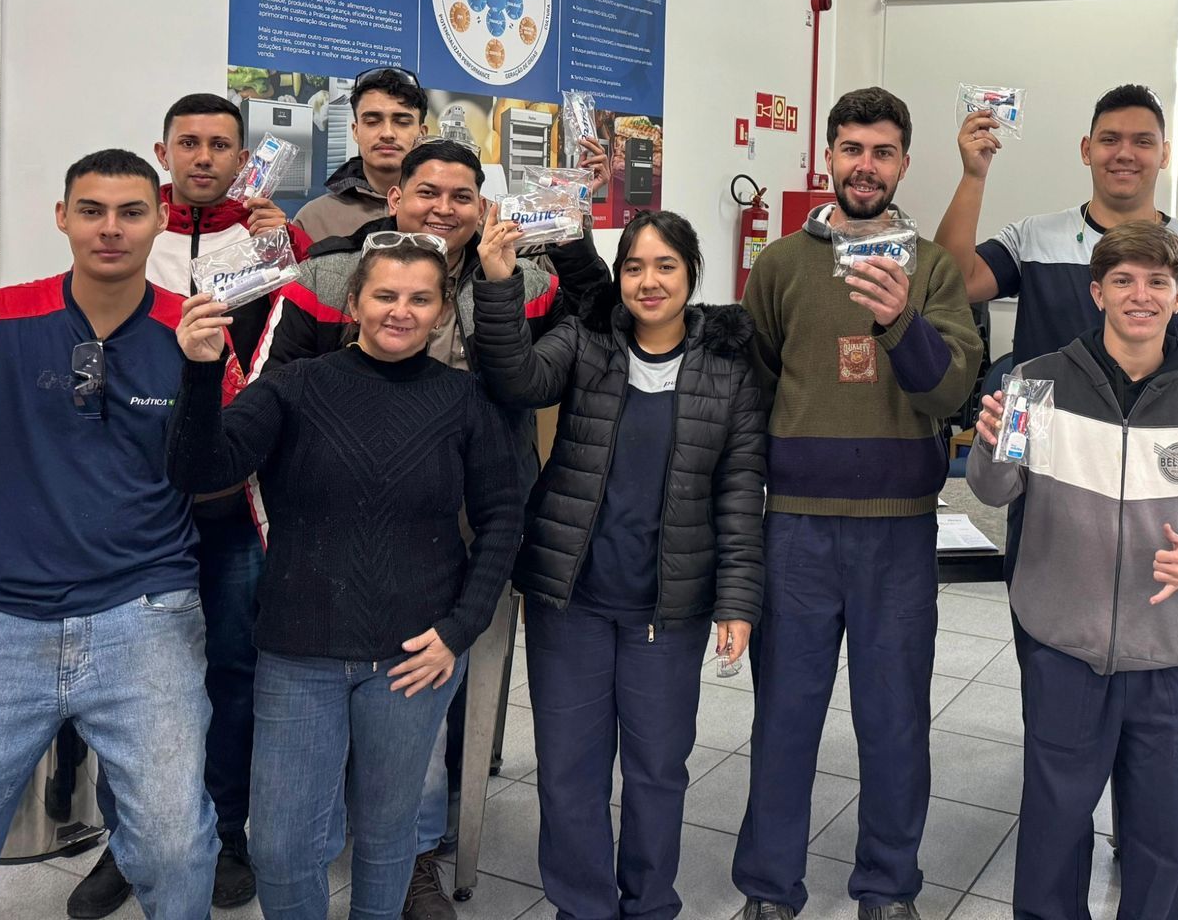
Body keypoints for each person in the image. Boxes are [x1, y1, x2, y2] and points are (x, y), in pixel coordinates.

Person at [255, 135, 609, 918]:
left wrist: (575, 219)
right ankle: (384, 840)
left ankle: (414, 852)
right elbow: (276, 396)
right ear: (394, 199)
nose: (442, 209)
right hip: (347, 531)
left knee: (433, 690)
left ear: (483, 206)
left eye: (461, 196)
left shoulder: (516, 275)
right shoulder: (330, 276)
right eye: (426, 193)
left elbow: (601, 314)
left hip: (482, 519)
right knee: (344, 709)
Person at [934, 82, 1178, 919]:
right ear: (1096, 288)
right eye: (1123, 281)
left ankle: (1168, 895)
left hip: (1164, 625)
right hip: (1061, 609)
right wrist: (996, 440)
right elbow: (994, 487)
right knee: (1056, 808)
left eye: (1157, 283)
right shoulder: (1036, 373)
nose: (1141, 295)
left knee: (1157, 818)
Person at [0, 151, 239, 918]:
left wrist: (205, 375)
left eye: (130, 212)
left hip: (144, 612)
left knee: (180, 854)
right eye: (90, 210)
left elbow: (220, 470)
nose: (109, 229)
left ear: (161, 221)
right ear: (61, 216)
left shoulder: (196, 329)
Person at [168, 237, 523, 919]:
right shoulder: (296, 386)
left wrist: (460, 630)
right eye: (385, 295)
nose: (401, 311)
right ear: (353, 302)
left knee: (390, 836)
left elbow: (503, 518)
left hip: (415, 658)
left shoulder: (463, 400)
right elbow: (199, 470)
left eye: (420, 299)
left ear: (442, 310)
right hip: (300, 651)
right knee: (280, 844)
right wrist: (200, 374)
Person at [732, 88, 983, 920]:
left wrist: (901, 319)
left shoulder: (936, 268)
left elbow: (949, 387)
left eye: (881, 152)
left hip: (898, 535)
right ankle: (770, 889)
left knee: (894, 724)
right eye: (849, 149)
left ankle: (888, 887)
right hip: (796, 528)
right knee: (785, 721)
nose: (864, 166)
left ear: (904, 163)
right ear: (828, 158)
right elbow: (761, 378)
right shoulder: (780, 266)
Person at [473, 210, 767, 920]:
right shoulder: (585, 342)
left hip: (667, 609)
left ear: (692, 274)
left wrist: (737, 602)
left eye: (666, 266)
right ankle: (583, 906)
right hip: (568, 599)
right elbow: (516, 378)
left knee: (658, 770)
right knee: (569, 772)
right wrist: (499, 282)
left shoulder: (728, 372)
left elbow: (738, 493)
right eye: (634, 266)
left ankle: (649, 905)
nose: (648, 281)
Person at [67, 91, 312, 916]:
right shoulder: (131, 235)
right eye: (189, 143)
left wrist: (289, 250)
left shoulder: (276, 240)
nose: (204, 157)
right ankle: (126, 842)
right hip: (140, 499)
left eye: (221, 145)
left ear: (244, 156)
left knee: (235, 673)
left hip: (238, 499)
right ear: (163, 150)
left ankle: (227, 834)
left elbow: (289, 361)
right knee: (126, 677)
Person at [294, 66, 429, 243]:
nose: (387, 133)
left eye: (402, 122)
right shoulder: (313, 219)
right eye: (372, 121)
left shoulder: (445, 216)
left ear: (422, 134)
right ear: (356, 131)